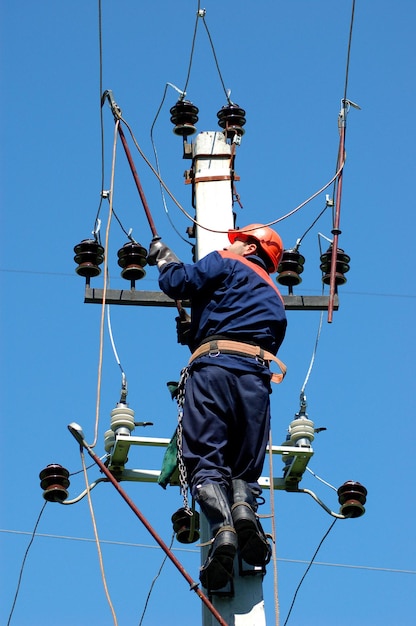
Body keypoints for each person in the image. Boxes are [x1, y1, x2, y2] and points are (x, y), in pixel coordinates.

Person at [148, 224, 287, 591]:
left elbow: (179, 283)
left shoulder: (225, 261)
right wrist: (198, 328)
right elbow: (246, 327)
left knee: (205, 459)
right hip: (256, 380)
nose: (233, 243)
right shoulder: (274, 293)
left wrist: (164, 259)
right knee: (244, 464)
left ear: (248, 245)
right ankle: (243, 511)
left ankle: (223, 530)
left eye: (238, 239)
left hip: (213, 373)